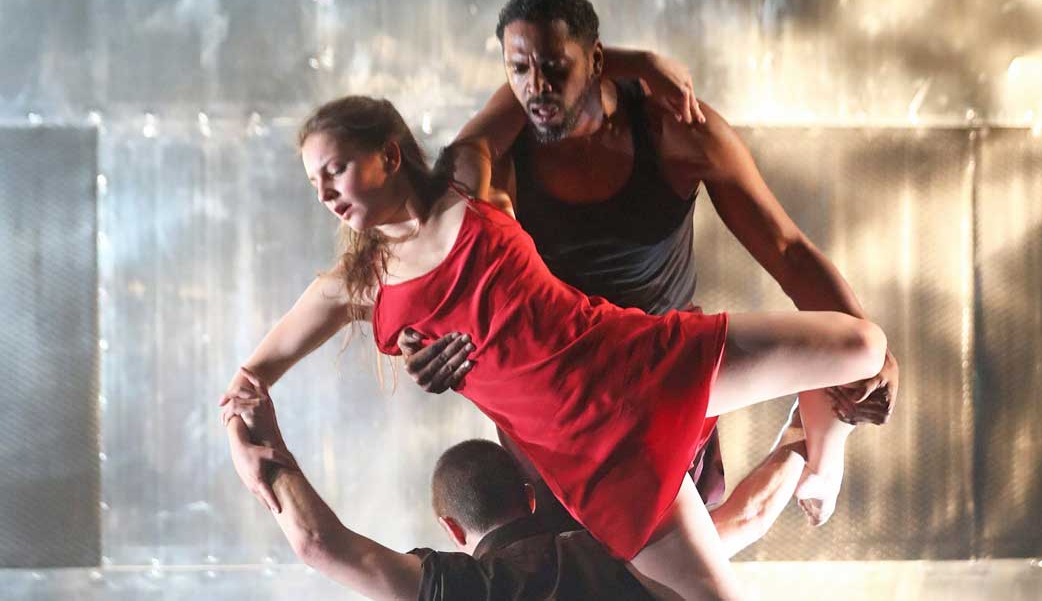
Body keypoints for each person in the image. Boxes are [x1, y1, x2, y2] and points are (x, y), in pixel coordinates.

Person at [220, 95, 887, 599]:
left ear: (390, 154)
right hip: (594, 461)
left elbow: (526, 78)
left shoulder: (466, 176)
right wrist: (248, 448)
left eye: (334, 169)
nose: (325, 192)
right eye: (314, 183)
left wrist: (644, 65)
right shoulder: (356, 285)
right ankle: (810, 444)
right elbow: (248, 381)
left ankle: (823, 452)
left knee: (862, 344)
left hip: (638, 361)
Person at [395, 0, 900, 530]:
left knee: (683, 565)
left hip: (667, 373)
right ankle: (804, 449)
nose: (536, 87)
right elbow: (440, 237)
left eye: (555, 69)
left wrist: (877, 356)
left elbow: (787, 250)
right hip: (555, 396)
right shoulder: (500, 157)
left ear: (594, 61)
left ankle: (813, 447)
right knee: (565, 571)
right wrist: (420, 342)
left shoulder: (675, 131)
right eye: (518, 71)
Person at [226, 372, 808, 600]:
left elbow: (318, 544)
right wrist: (813, 425)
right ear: (529, 494)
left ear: (452, 528)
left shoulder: (465, 591)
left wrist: (263, 449)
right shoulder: (613, 550)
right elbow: (749, 515)